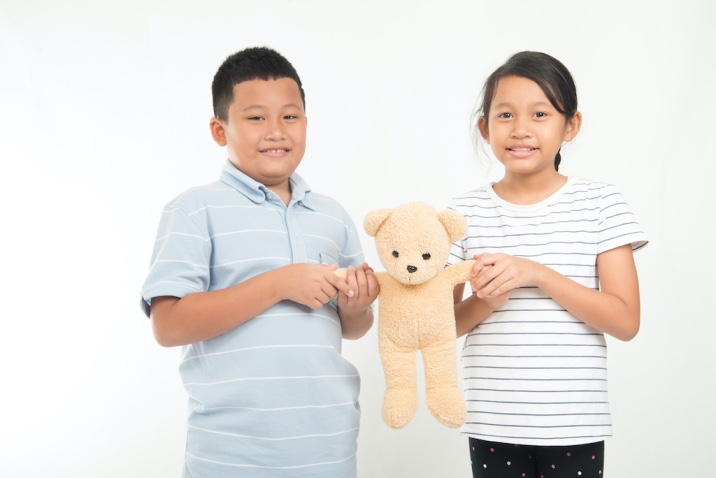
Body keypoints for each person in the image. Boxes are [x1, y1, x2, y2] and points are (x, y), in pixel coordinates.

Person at [140, 46, 378, 478]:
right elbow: (168, 325)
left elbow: (354, 327)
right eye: (255, 118)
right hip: (232, 454)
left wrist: (356, 305)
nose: (276, 132)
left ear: (306, 123)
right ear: (219, 130)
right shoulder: (194, 210)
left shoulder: (331, 215)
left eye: (290, 116)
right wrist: (279, 284)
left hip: (327, 445)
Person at [449, 51, 647, 477]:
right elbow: (440, 324)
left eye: (540, 113)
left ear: (570, 125)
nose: (521, 129)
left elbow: (626, 320)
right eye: (505, 115)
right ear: (485, 127)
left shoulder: (600, 203)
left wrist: (537, 274)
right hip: (493, 420)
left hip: (575, 423)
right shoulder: (461, 214)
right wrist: (487, 301)